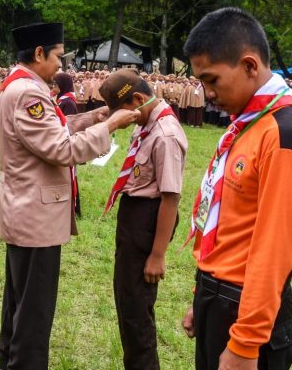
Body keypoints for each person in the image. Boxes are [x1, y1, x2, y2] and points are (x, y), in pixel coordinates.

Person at [181, 8, 292, 370]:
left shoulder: (285, 133)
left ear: (248, 65)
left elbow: (274, 250)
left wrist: (246, 344)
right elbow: (229, 224)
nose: (207, 94)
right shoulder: (248, 124)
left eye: (212, 80)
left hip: (248, 315)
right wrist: (202, 296)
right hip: (220, 300)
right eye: (201, 81)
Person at [0, 22, 139, 370]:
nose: (62, 65)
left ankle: (10, 360)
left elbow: (54, 128)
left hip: (26, 212)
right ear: (39, 53)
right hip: (36, 218)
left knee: (20, 302)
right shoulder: (28, 93)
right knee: (34, 312)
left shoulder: (24, 86)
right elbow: (60, 148)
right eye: (58, 55)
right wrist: (110, 127)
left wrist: (93, 117)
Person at [99, 69, 188, 370]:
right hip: (133, 217)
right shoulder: (147, 122)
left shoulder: (166, 135)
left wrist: (158, 255)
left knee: (137, 313)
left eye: (123, 112)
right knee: (127, 304)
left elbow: (170, 199)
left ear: (138, 98)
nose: (123, 120)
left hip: (148, 221)